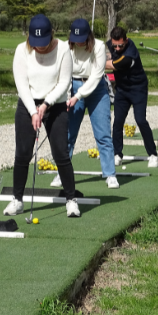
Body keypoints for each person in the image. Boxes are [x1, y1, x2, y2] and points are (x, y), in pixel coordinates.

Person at [5, 14, 80, 217]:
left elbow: (64, 82)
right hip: (27, 103)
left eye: (43, 43)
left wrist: (46, 104)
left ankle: (71, 200)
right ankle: (17, 200)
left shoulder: (63, 49)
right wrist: (32, 111)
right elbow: (21, 85)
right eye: (35, 43)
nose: (39, 47)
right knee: (22, 153)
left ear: (51, 35)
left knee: (61, 154)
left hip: (54, 104)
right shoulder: (22, 50)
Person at [49, 19, 119, 189]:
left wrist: (78, 96)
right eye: (75, 38)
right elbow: (62, 74)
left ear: (89, 36)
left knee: (103, 134)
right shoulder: (65, 47)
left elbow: (96, 76)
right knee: (68, 135)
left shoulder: (99, 47)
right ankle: (61, 173)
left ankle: (110, 174)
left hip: (97, 90)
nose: (78, 42)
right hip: (72, 86)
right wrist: (67, 97)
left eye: (81, 38)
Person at [106, 26, 158, 168]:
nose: (117, 48)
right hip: (122, 90)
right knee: (118, 122)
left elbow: (115, 64)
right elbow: (103, 51)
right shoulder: (111, 45)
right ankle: (117, 154)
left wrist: (99, 62)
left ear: (126, 41)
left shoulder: (130, 53)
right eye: (114, 45)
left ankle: (153, 154)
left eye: (120, 45)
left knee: (140, 120)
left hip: (138, 89)